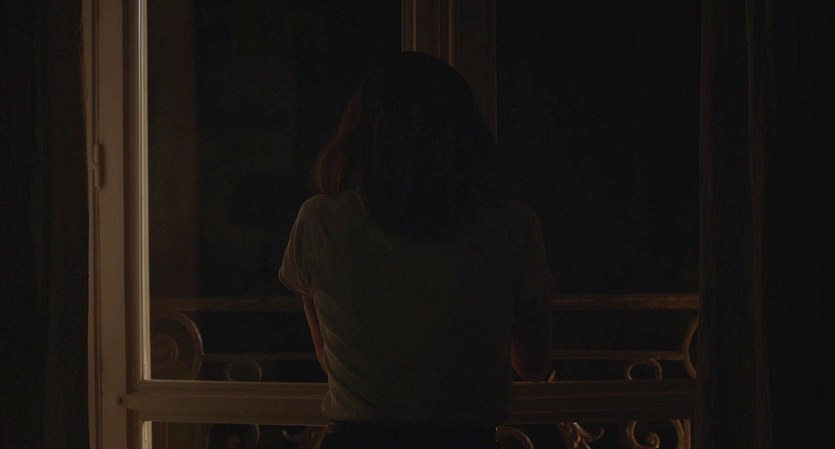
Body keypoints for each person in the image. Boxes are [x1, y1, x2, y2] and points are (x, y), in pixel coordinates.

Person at [278, 51, 554, 449]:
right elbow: (533, 364)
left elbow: (330, 358)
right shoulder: (511, 224)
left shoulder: (321, 222)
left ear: (361, 131)